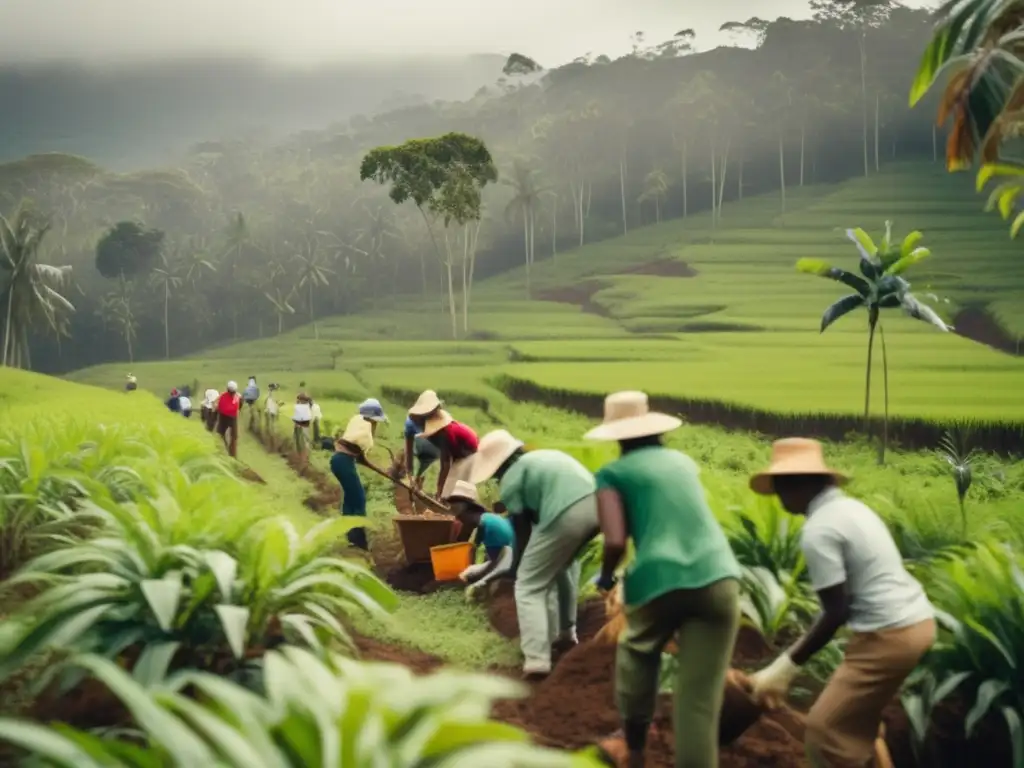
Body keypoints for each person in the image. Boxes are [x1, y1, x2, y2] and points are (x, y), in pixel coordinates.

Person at [747, 438, 936, 768]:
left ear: (800, 485)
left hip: (888, 636)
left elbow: (836, 611)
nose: (777, 496)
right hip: (917, 623)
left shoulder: (819, 530)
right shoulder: (851, 509)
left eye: (780, 486)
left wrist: (784, 668)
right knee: (858, 725)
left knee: (826, 731)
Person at [586, 390, 741, 768]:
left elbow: (616, 540)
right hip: (720, 576)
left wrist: (606, 578)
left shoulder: (612, 474)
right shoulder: (683, 462)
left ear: (616, 435)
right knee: (697, 704)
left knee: (638, 653)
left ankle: (633, 747)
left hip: (659, 577)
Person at [470, 429, 599, 680]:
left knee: (530, 584)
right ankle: (565, 634)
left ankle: (537, 661)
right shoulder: (541, 460)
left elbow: (522, 531)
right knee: (564, 567)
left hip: (566, 514)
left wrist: (515, 570)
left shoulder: (512, 480)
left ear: (497, 466)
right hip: (596, 507)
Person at [447, 480, 516, 600]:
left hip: (498, 539)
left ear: (466, 504)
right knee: (490, 564)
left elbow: (466, 542)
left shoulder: (467, 517)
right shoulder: (480, 515)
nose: (452, 505)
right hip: (508, 541)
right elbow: (475, 538)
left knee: (489, 566)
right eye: (451, 501)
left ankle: (479, 587)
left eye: (456, 502)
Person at [330, 414, 387, 552]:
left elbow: (360, 456)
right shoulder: (364, 434)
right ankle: (358, 539)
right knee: (359, 498)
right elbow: (361, 455)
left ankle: (350, 535)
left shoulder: (357, 429)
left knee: (351, 498)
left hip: (339, 461)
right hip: (344, 462)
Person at [418, 407, 479, 500]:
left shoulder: (445, 435)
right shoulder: (444, 433)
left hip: (470, 451)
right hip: (463, 450)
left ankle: (449, 501)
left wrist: (439, 491)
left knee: (457, 480)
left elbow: (445, 466)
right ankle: (445, 498)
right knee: (453, 478)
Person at [216, 381, 242, 458]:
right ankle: (230, 453)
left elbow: (218, 407)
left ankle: (227, 452)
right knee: (232, 436)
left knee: (222, 434)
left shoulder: (223, 395)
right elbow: (240, 405)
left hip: (225, 416)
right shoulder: (237, 396)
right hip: (230, 417)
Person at [292, 393, 313, 459]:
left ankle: (303, 455)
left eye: (298, 399)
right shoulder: (307, 406)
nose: (297, 401)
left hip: (301, 425)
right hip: (304, 425)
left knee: (301, 440)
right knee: (304, 440)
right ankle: (304, 455)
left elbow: (298, 417)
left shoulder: (301, 406)